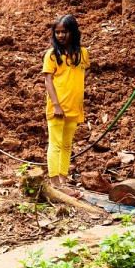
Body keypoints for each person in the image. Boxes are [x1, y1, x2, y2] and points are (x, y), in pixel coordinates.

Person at [42, 15, 89, 198]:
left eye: (64, 32)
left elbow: (83, 74)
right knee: (56, 144)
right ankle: (55, 182)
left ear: (73, 32)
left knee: (67, 144)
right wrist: (56, 105)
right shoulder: (52, 55)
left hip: (74, 107)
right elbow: (48, 80)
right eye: (58, 32)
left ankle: (63, 179)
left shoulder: (82, 54)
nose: (61, 35)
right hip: (57, 108)